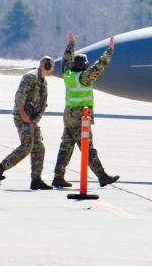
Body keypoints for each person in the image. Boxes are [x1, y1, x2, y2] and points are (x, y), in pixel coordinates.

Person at [51, 31, 119, 188]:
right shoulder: (84, 77)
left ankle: (58, 177)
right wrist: (110, 51)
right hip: (81, 118)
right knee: (88, 149)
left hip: (68, 117)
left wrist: (71, 44)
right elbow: (99, 66)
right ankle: (102, 176)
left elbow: (67, 59)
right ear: (84, 65)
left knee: (65, 148)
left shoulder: (68, 74)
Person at [0, 57, 55, 190]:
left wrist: (39, 116)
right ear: (44, 65)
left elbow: (44, 103)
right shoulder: (30, 77)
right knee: (27, 146)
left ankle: (36, 180)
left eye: (51, 65)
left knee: (39, 148)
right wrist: (24, 115)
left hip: (32, 119)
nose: (50, 67)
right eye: (49, 64)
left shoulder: (43, 82)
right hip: (22, 116)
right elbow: (19, 97)